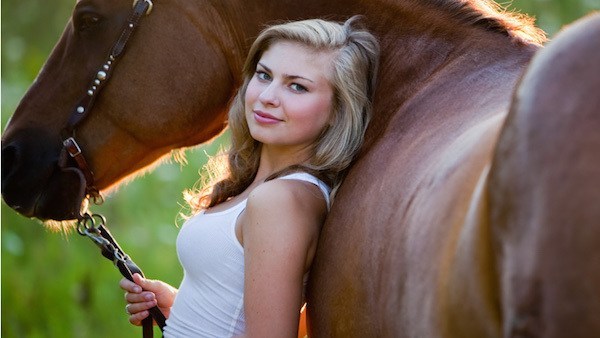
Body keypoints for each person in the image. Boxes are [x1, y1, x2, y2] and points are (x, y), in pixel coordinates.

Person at [119, 16, 380, 337]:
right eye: (264, 75)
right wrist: (181, 305)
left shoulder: (281, 201)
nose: (268, 95)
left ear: (338, 111)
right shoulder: (269, 189)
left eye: (297, 86)